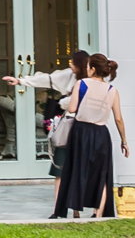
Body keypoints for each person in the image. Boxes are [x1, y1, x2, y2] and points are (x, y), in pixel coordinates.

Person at [50, 53, 130, 219]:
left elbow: (72, 109)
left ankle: (76, 212)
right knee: (101, 173)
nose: (86, 69)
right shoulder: (112, 90)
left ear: (93, 69)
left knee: (76, 169)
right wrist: (124, 141)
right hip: (101, 134)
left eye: (88, 67)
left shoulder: (82, 84)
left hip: (81, 131)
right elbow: (118, 119)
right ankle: (98, 213)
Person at [7, 48, 87, 177]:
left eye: (73, 62)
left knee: (81, 166)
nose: (70, 65)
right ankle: (60, 196)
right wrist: (21, 81)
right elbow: (47, 79)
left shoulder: (91, 81)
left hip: (84, 125)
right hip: (67, 123)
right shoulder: (69, 75)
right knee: (60, 166)